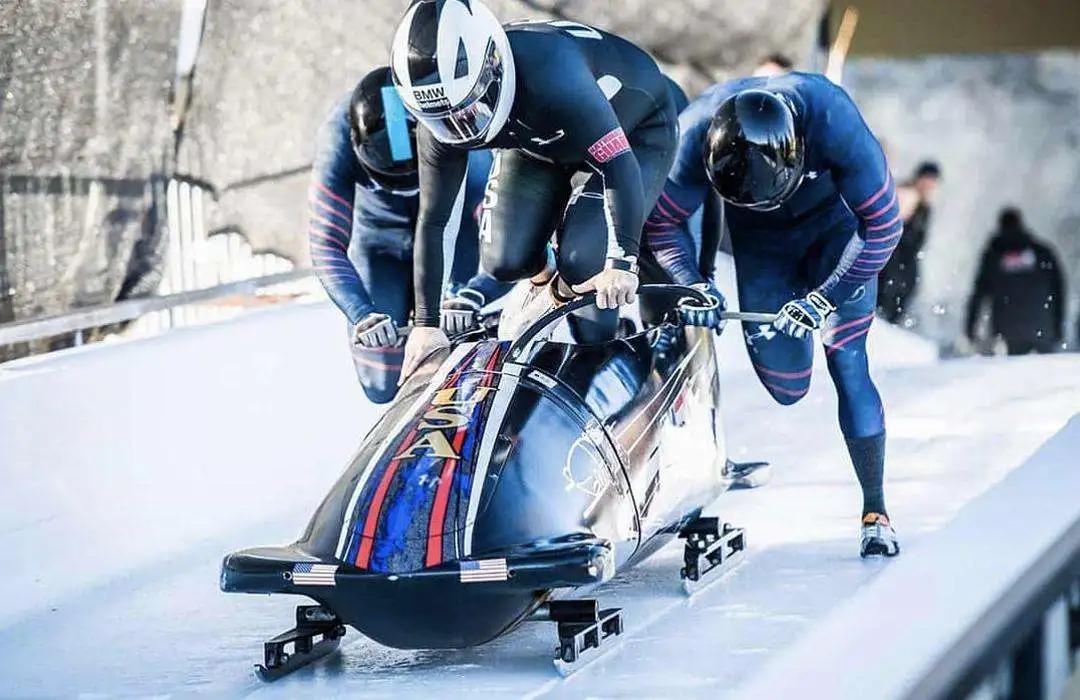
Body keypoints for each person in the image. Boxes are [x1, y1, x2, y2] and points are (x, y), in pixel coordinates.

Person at [641, 73, 903, 558]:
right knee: (788, 387)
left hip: (836, 237)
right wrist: (693, 283)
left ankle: (875, 510)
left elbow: (884, 226)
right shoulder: (695, 130)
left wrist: (825, 299)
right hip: (763, 246)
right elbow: (661, 222)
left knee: (846, 358)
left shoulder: (831, 116)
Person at [389, 0, 682, 379]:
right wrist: (426, 324)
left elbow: (618, 164)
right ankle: (550, 287)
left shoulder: (551, 73)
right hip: (539, 140)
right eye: (441, 121)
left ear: (494, 68)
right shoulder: (445, 116)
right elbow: (434, 219)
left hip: (634, 134)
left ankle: (593, 322)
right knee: (504, 262)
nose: (459, 128)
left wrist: (621, 261)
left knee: (585, 263)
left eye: (466, 110)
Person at [308, 66, 496, 403]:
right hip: (381, 243)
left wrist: (475, 293)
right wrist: (361, 313)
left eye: (412, 182)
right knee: (381, 384)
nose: (403, 190)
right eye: (390, 181)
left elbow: (504, 236)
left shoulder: (459, 134)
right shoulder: (336, 140)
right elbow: (326, 244)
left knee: (461, 347)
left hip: (453, 238)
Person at [964, 208, 1065, 355]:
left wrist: (970, 329)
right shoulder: (1041, 252)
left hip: (1008, 330)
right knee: (1046, 374)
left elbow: (979, 293)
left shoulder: (995, 255)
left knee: (1014, 374)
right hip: (1042, 326)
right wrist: (1058, 326)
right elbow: (1058, 290)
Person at [877, 161, 941, 323]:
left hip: (907, 255)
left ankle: (889, 317)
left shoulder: (925, 206)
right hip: (893, 250)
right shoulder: (907, 194)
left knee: (908, 283)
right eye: (928, 180)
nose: (930, 186)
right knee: (891, 282)